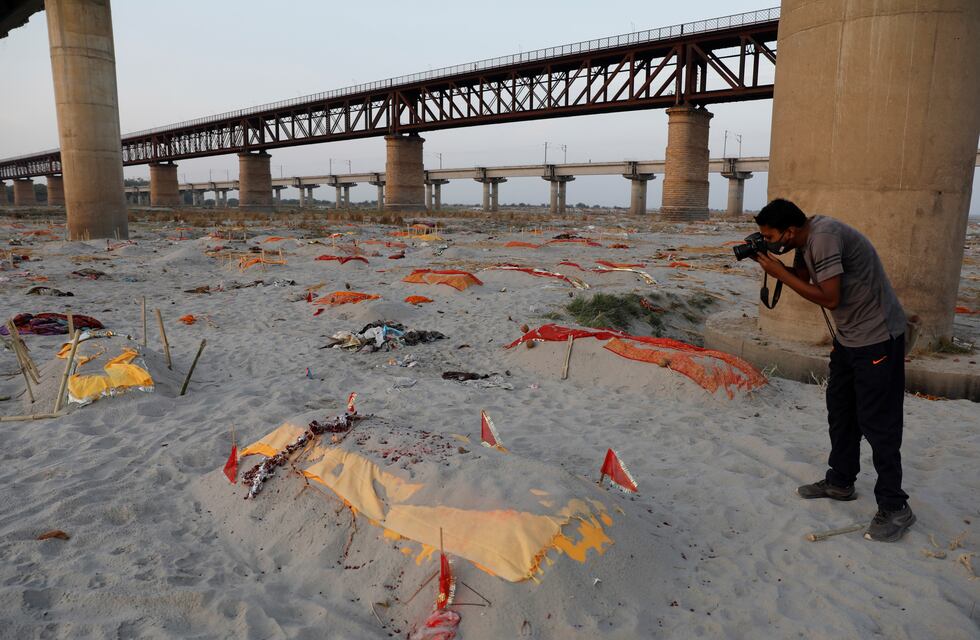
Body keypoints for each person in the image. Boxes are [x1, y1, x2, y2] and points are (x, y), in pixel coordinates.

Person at [751, 198, 914, 542]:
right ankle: (840, 482)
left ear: (789, 230)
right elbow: (802, 277)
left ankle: (896, 507)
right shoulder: (804, 238)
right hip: (849, 339)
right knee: (840, 411)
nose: (768, 240)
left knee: (878, 422)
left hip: (877, 337)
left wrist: (778, 273)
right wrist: (769, 262)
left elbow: (830, 298)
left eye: (769, 236)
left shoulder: (823, 237)